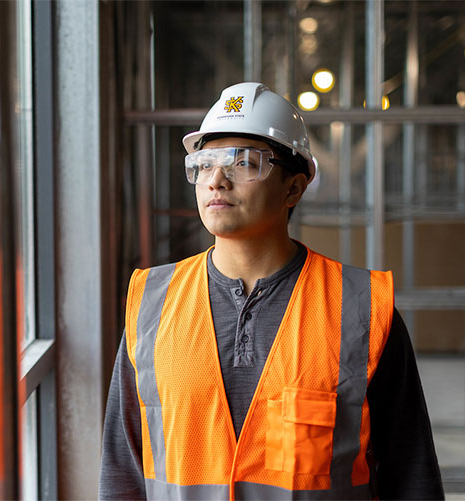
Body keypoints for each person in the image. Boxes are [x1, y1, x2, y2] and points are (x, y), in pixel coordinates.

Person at [99, 82, 444, 500]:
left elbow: (411, 473)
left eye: (243, 163)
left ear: (294, 188)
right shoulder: (153, 302)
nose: (217, 181)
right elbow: (122, 470)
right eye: (205, 163)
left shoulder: (361, 308)